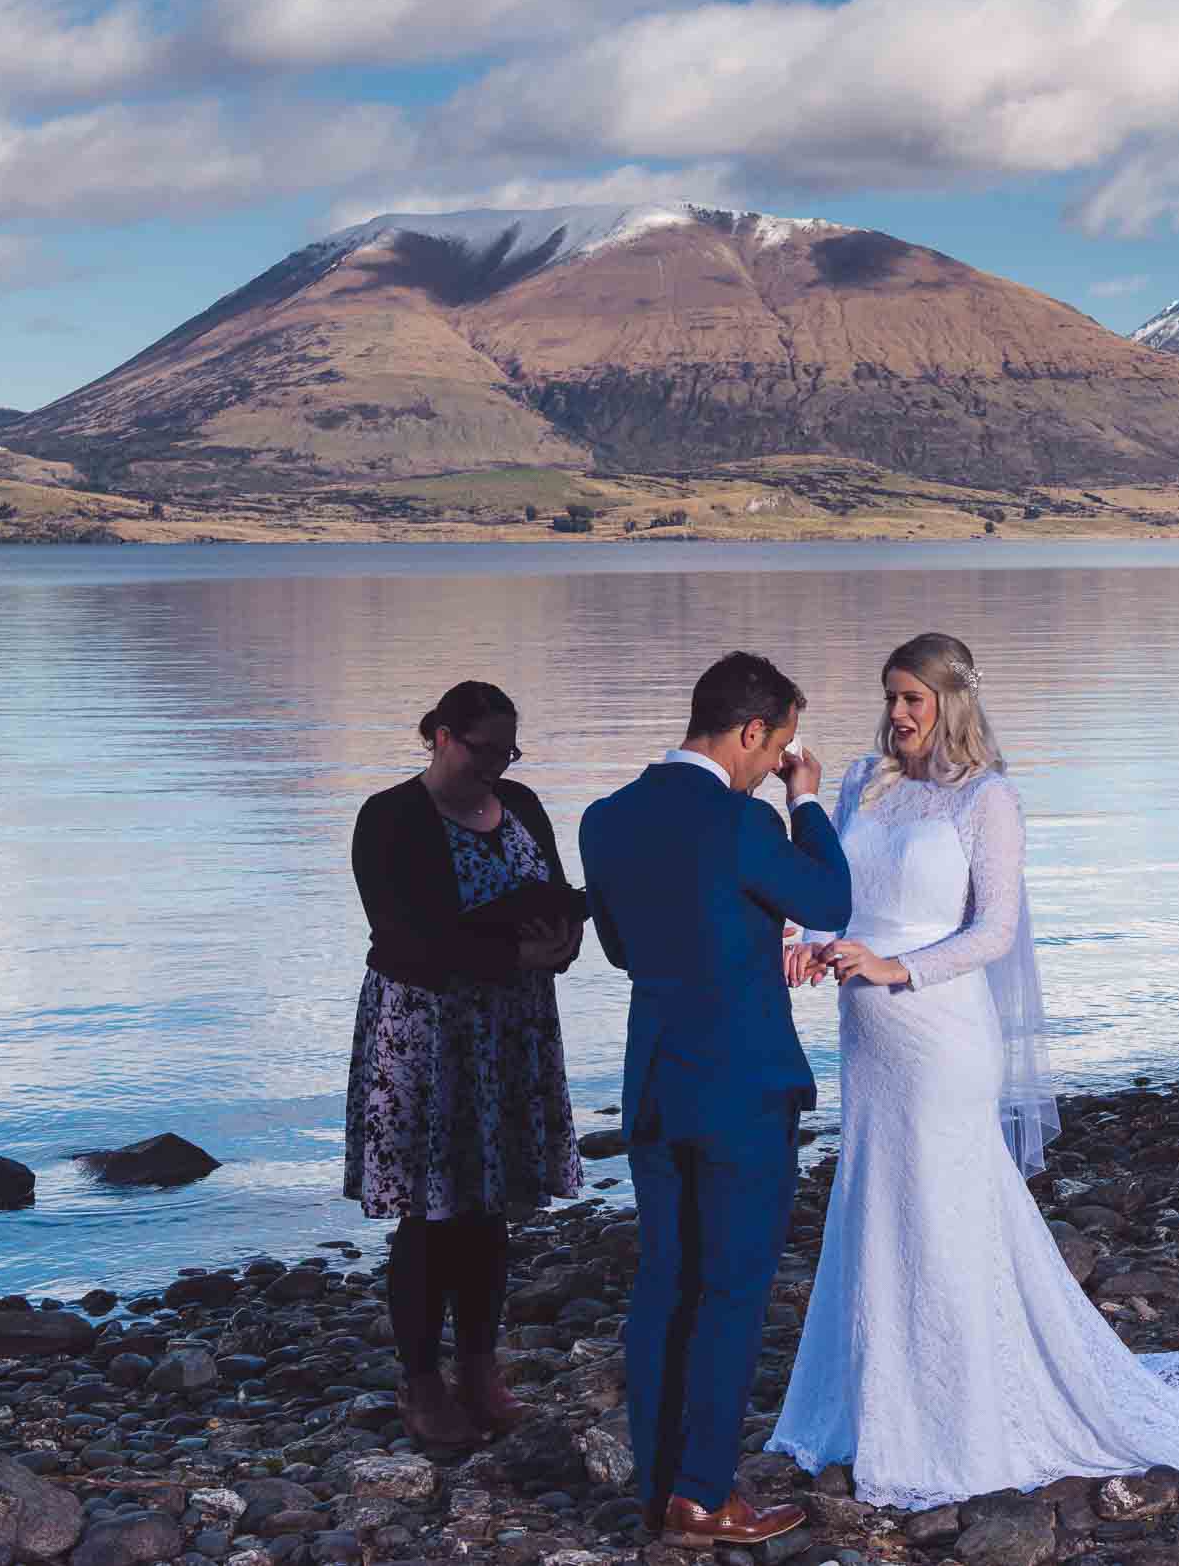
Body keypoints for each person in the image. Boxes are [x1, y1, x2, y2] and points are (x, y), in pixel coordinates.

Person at [770, 633, 1179, 1509]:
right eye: (890, 697)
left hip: (939, 1032)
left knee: (942, 1205)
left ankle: (959, 1418)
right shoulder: (862, 781)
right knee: (875, 1203)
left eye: (913, 700)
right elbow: (836, 895)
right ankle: (868, 1406)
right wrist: (809, 944)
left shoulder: (987, 800)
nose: (896, 715)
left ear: (952, 703)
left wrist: (900, 968)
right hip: (867, 1042)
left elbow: (994, 930)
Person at [580, 652, 852, 1550]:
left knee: (663, 1285)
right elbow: (829, 898)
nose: (772, 759)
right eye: (774, 745)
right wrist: (803, 801)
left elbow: (620, 949)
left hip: (654, 1083)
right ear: (752, 733)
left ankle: (659, 1490)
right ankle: (703, 1496)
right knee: (732, 1293)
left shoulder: (605, 818)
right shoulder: (740, 821)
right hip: (740, 1085)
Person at [346, 681, 584, 1449]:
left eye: (507, 751)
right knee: (430, 1215)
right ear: (442, 736)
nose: (497, 765)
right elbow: (405, 937)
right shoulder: (389, 817)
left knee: (490, 1209)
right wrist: (512, 950)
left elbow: (550, 894)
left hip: (511, 1030)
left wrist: (560, 945)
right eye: (484, 750)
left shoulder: (523, 805)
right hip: (426, 1035)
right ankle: (422, 1386)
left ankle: (481, 1373)